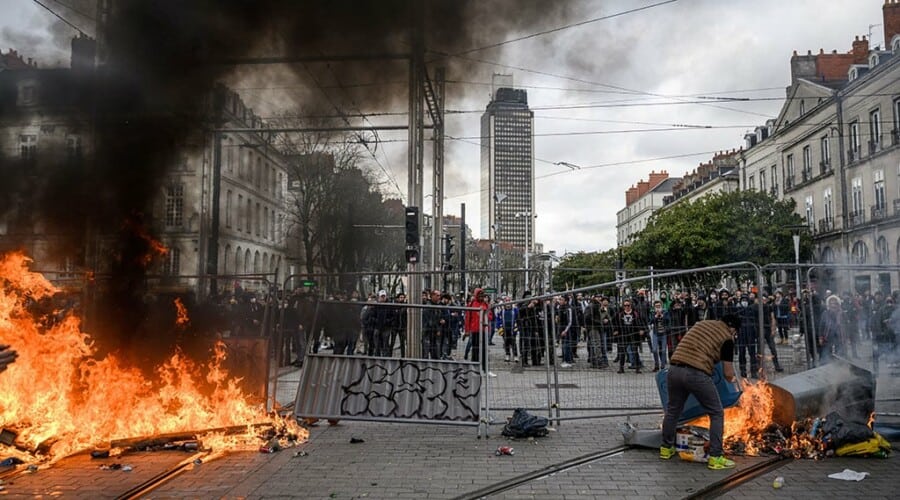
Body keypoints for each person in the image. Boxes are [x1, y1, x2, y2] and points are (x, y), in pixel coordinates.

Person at [660, 314, 742, 470]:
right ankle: (716, 457)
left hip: (674, 370)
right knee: (716, 413)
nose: (734, 335)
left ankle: (666, 448)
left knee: (673, 411)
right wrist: (733, 383)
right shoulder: (727, 339)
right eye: (735, 333)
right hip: (696, 374)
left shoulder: (701, 325)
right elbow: (728, 373)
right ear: (733, 329)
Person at [464, 288, 494, 376]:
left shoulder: (485, 304)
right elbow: (467, 318)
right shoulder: (472, 304)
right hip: (475, 330)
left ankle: (485, 369)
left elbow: (490, 317)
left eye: (483, 296)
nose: (481, 297)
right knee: (475, 350)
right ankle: (474, 369)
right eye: (480, 295)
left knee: (484, 350)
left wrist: (486, 312)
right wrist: (467, 330)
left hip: (484, 330)